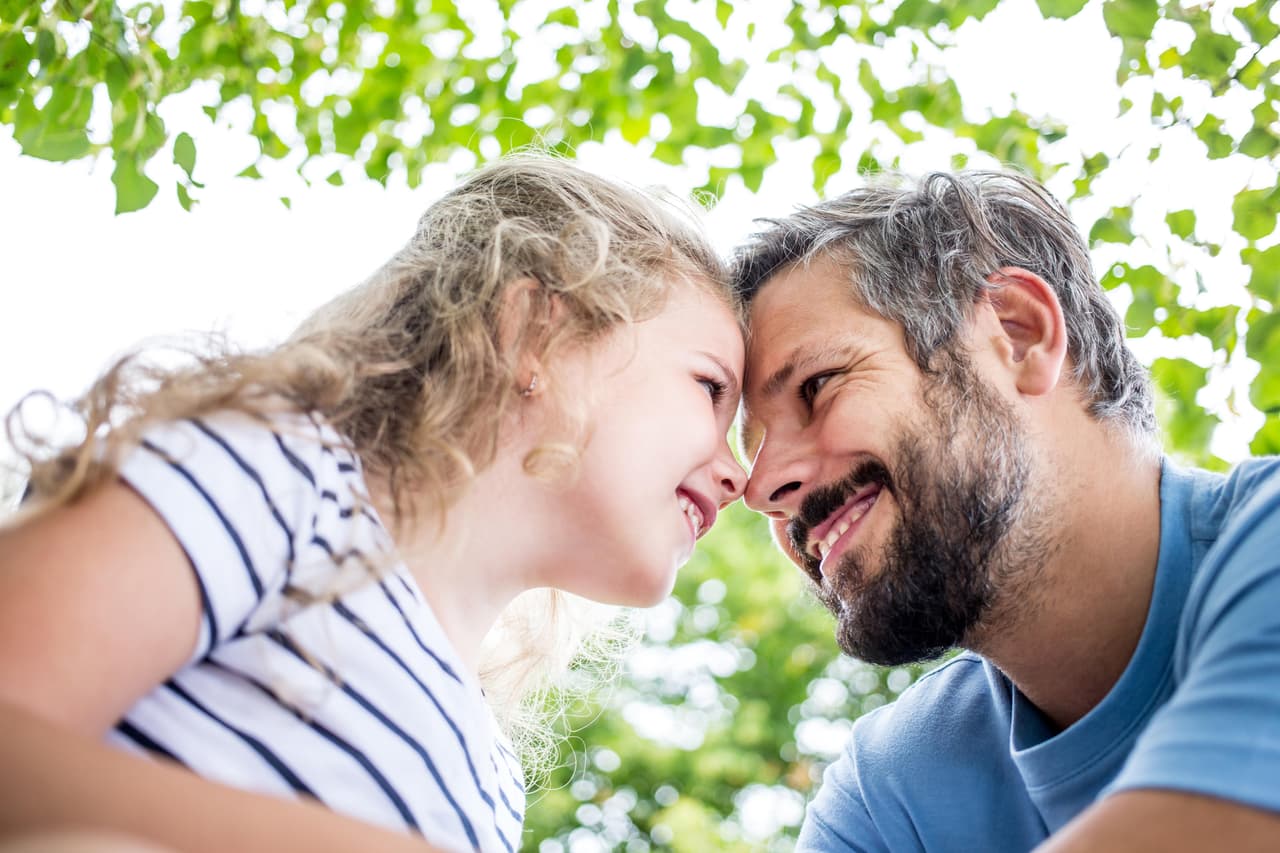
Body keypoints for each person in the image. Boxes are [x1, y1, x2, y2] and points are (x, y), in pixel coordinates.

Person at [0, 154, 747, 853]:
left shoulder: (495, 780)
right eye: (710, 388)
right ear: (534, 334)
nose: (739, 472)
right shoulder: (279, 474)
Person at [731, 170, 1280, 852]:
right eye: (751, 454)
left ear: (1017, 334)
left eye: (818, 385)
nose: (758, 491)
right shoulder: (889, 787)